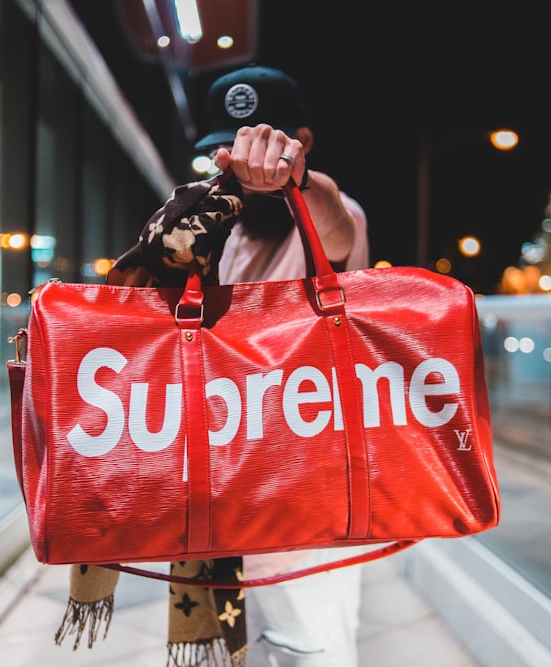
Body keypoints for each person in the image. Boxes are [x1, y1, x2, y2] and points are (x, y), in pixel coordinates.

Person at [192, 64, 371, 667]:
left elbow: (336, 229)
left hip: (308, 504)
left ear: (303, 142)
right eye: (227, 150)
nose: (242, 165)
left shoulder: (331, 212)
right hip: (232, 487)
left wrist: (298, 179)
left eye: (263, 145)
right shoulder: (225, 232)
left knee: (311, 648)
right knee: (246, 646)